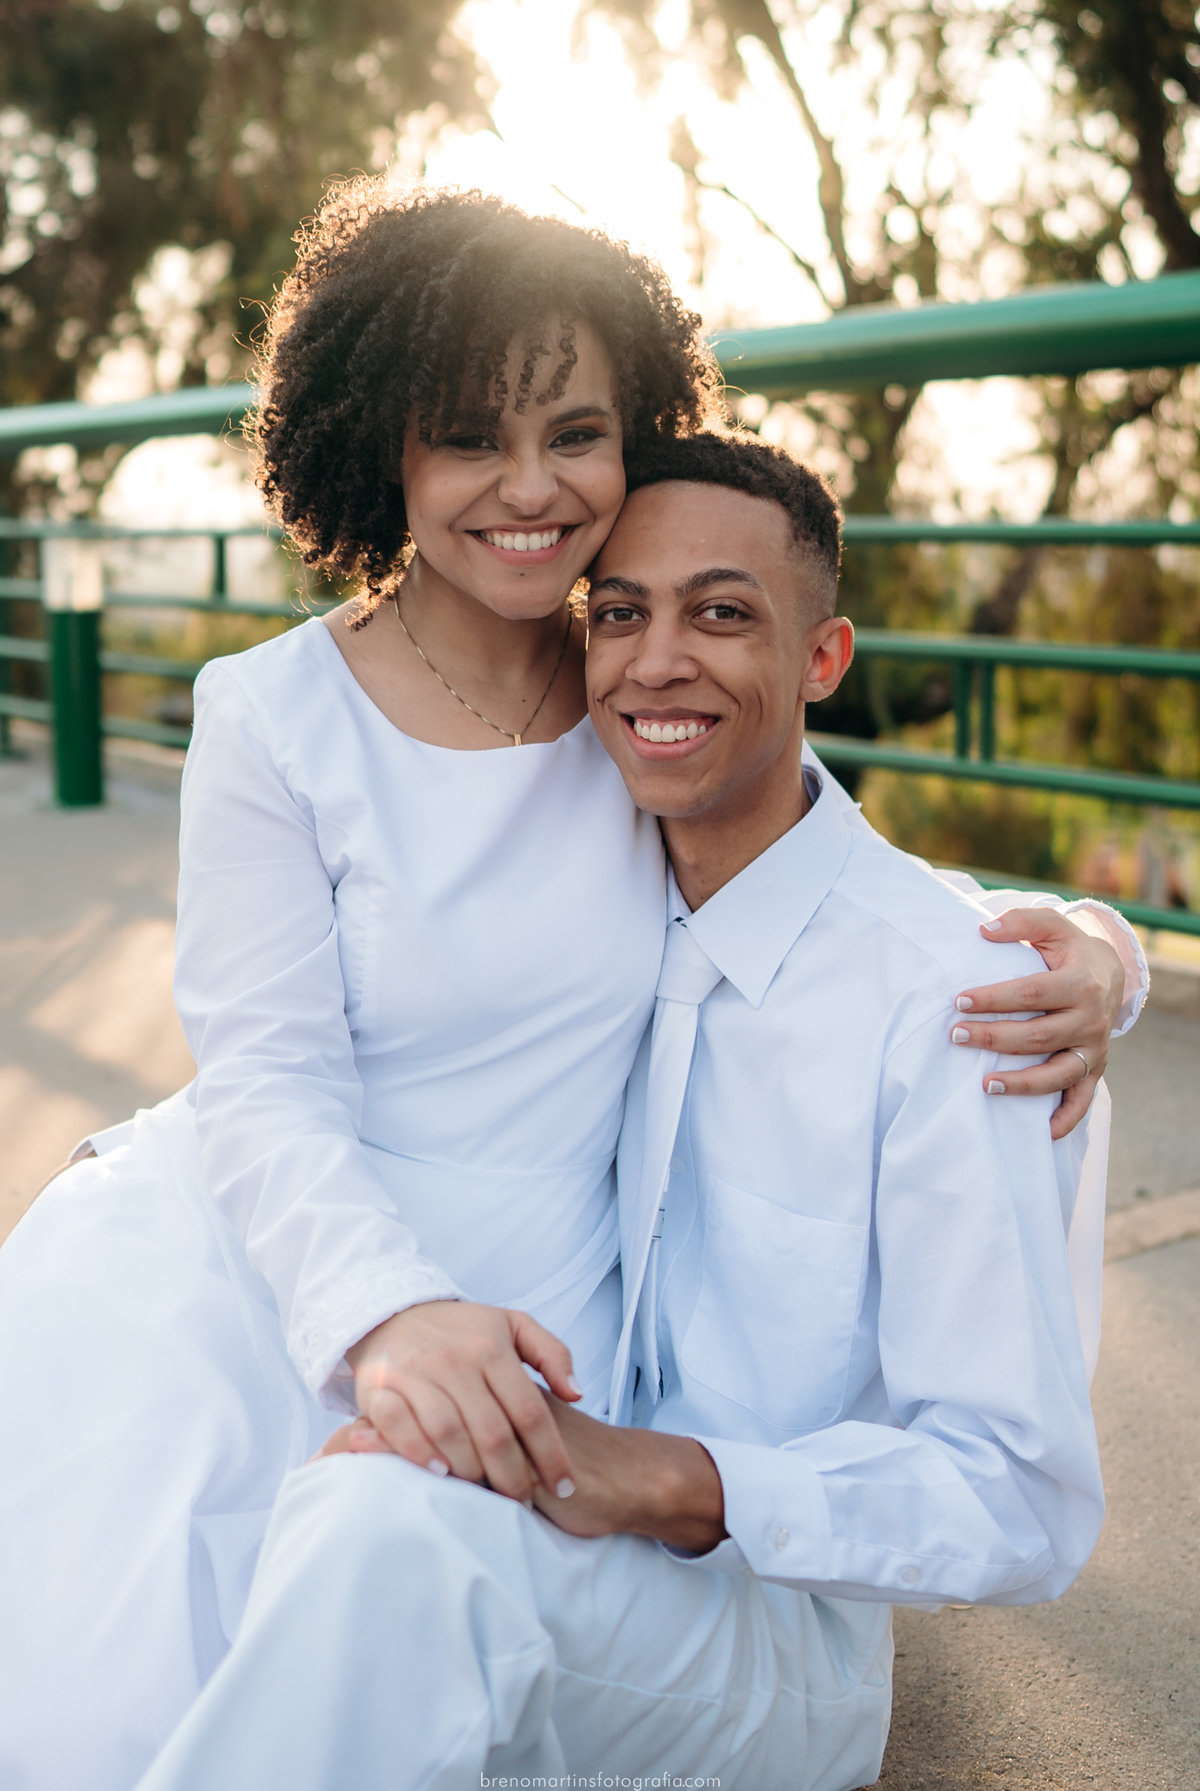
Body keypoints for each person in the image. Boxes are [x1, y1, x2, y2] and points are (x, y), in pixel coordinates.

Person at [0, 185, 1136, 1791]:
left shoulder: (629, 700)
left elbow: (839, 892)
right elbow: (267, 1076)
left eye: (579, 435)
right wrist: (383, 1314)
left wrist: (1090, 949)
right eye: (470, 437)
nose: (530, 491)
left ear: (641, 436)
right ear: (380, 447)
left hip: (562, 1303)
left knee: (389, 1584)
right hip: (305, 1259)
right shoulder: (277, 718)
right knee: (140, 1645)